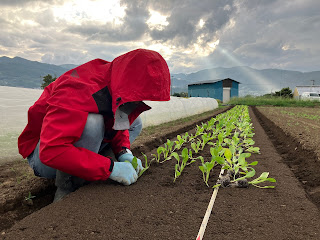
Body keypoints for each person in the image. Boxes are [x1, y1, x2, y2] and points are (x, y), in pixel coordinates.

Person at [18, 49, 171, 202]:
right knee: (93, 123)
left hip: (64, 148)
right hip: (44, 157)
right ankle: (68, 186)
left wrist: (124, 152)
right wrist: (111, 168)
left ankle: (96, 165)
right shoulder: (76, 88)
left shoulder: (114, 81)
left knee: (135, 122)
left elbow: (117, 119)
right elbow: (51, 151)